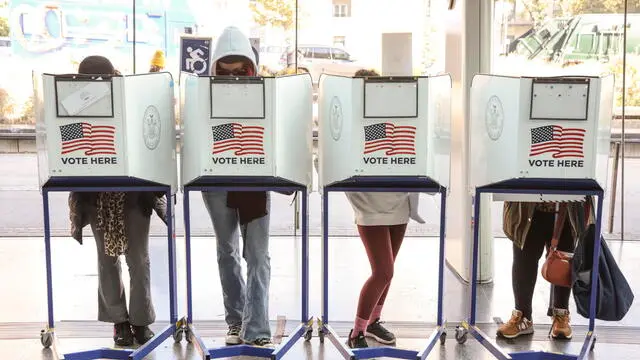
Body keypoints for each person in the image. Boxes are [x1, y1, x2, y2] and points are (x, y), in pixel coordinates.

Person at [68, 55, 167, 347]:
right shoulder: (74, 103)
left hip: (133, 192)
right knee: (107, 261)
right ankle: (119, 322)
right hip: (96, 193)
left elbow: (148, 135)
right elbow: (69, 142)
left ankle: (140, 321)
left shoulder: (128, 99)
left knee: (138, 260)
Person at [201, 26, 276, 349]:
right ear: (215, 69)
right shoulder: (202, 94)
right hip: (216, 181)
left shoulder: (265, 94)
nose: (233, 78)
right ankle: (236, 320)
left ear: (252, 69)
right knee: (227, 252)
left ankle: (256, 326)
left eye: (240, 71)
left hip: (254, 181)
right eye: (225, 71)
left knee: (257, 255)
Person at [345, 69, 425, 349]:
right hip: (370, 205)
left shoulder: (398, 118)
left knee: (388, 271)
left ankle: (373, 322)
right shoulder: (354, 122)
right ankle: (356, 332)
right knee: (383, 271)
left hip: (398, 202)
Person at [498, 200, 592, 340]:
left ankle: (561, 314)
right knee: (524, 261)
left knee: (563, 262)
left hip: (567, 205)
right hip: (527, 205)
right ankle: (522, 316)